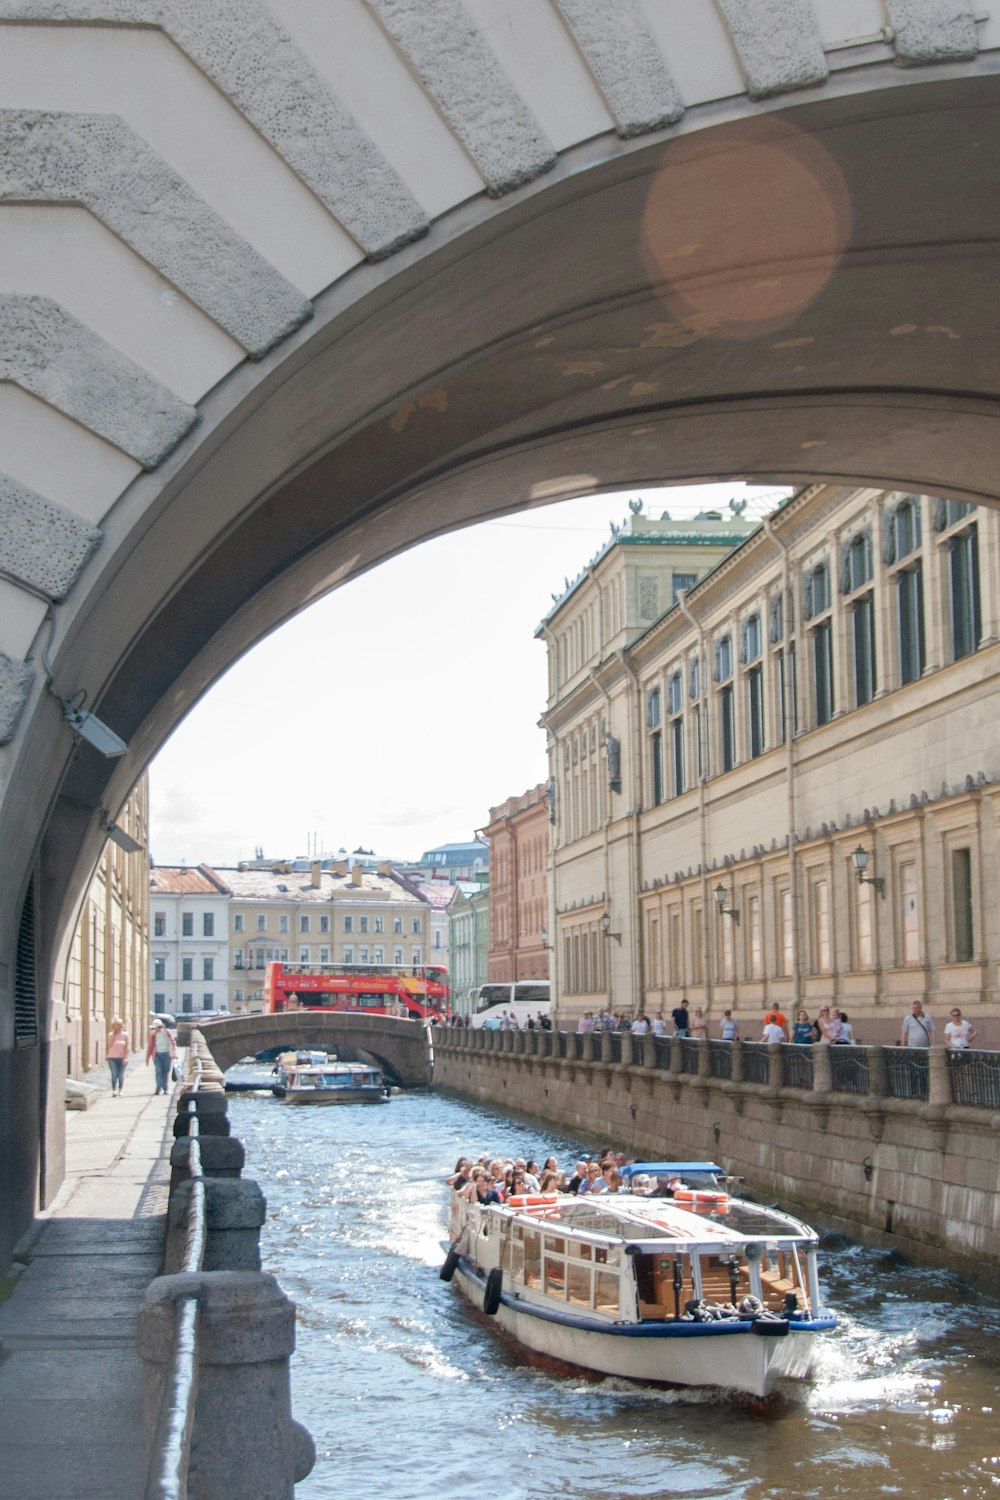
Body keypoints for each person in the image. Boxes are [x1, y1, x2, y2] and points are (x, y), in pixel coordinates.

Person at [146, 1017, 177, 1094]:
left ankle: (165, 1088)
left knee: (166, 1071)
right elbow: (150, 1046)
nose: (154, 1029)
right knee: (159, 1071)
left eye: (155, 1028)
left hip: (167, 1054)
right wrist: (147, 1057)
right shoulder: (153, 1035)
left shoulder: (166, 1032)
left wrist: (174, 1053)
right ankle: (158, 1088)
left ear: (159, 1027)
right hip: (157, 1055)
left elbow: (173, 1042)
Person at [106, 1016, 130, 1097]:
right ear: (113, 1026)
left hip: (122, 1058)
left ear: (122, 1025)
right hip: (112, 1058)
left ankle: (120, 1090)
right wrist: (113, 1035)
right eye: (116, 1024)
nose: (118, 1026)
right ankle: (114, 1090)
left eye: (120, 1024)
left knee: (120, 1075)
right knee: (114, 1074)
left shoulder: (125, 1035)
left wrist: (126, 1057)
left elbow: (127, 1047)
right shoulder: (110, 1035)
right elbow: (109, 1045)